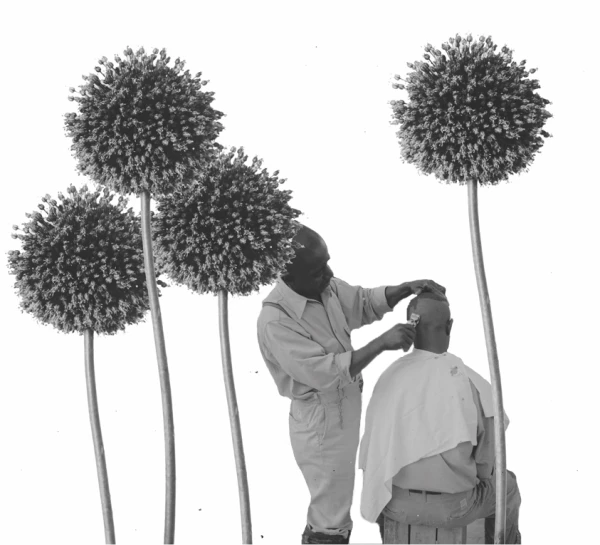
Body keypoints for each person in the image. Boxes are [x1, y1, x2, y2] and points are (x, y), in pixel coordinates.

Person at [256, 224, 445, 544]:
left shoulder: (323, 286)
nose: (328, 274)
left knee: (336, 501)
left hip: (343, 408)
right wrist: (381, 343)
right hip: (320, 422)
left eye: (328, 263)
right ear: (288, 277)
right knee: (330, 512)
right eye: (318, 270)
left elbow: (362, 302)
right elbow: (326, 372)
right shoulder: (276, 321)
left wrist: (402, 289)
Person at [358, 291, 521, 544]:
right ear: (450, 326)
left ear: (411, 326)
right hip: (455, 508)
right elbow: (486, 466)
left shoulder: (388, 377)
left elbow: (372, 453)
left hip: (395, 505)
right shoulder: (470, 383)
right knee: (507, 486)